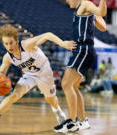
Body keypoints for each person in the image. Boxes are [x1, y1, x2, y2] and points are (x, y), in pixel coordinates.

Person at [0, 24, 77, 130]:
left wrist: (63, 43)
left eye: (11, 42)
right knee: (14, 95)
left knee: (50, 99)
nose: (9, 46)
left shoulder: (26, 45)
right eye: (6, 43)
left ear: (16, 40)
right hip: (29, 75)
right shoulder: (7, 57)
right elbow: (2, 70)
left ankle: (58, 111)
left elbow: (48, 35)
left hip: (44, 73)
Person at [54, 0, 107, 133]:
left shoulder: (85, 4)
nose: (66, 1)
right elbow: (103, 27)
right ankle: (83, 121)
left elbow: (101, 14)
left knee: (66, 84)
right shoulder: (84, 7)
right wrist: (94, 15)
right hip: (83, 51)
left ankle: (72, 122)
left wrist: (101, 4)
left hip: (84, 50)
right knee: (73, 86)